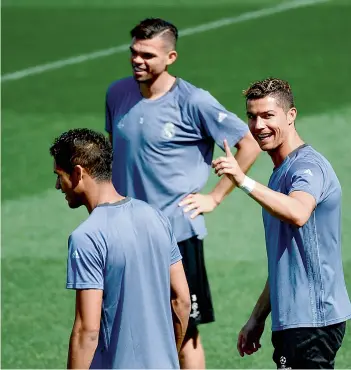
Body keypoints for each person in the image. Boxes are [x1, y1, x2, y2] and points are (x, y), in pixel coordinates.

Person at [105, 17, 261, 368]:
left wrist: (215, 196)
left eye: (147, 54)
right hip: (126, 232)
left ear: (170, 57)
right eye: (133, 52)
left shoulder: (194, 101)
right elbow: (116, 155)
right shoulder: (117, 94)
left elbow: (248, 144)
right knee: (125, 323)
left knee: (184, 328)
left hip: (177, 234)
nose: (137, 60)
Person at [212, 78, 351, 369]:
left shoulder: (307, 167)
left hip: (312, 321)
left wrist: (243, 180)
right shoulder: (280, 173)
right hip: (295, 321)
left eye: (267, 115)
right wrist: (257, 318)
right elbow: (285, 262)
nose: (258, 125)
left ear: (291, 115)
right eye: (252, 116)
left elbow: (299, 212)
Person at [49, 128, 191, 369]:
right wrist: (169, 355)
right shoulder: (156, 217)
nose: (57, 185)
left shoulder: (86, 237)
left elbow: (87, 330)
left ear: (77, 173)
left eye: (59, 175)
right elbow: (182, 301)